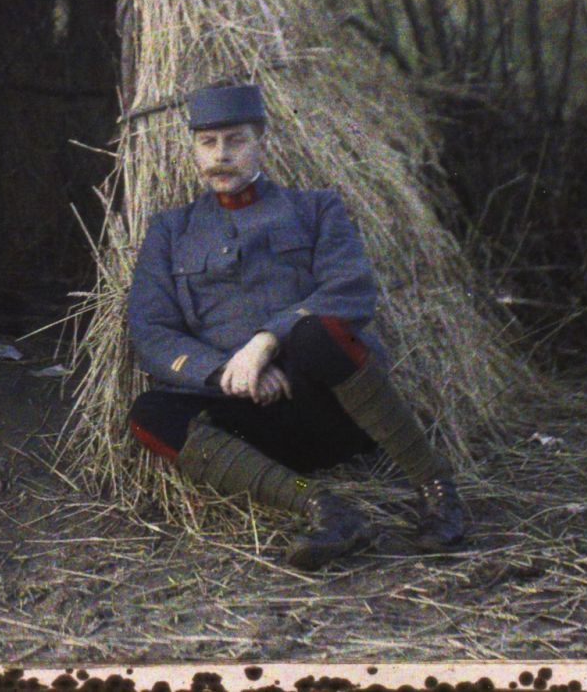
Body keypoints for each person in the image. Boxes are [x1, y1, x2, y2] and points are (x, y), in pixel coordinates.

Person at [124, 80, 469, 569]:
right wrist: (227, 371)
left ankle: (437, 490)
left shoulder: (314, 209)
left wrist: (265, 343)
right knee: (149, 412)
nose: (221, 155)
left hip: (335, 407)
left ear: (263, 141)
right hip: (248, 426)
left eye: (236, 140)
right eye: (208, 142)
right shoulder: (170, 231)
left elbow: (349, 290)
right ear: (193, 149)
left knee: (315, 333)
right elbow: (152, 331)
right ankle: (321, 507)